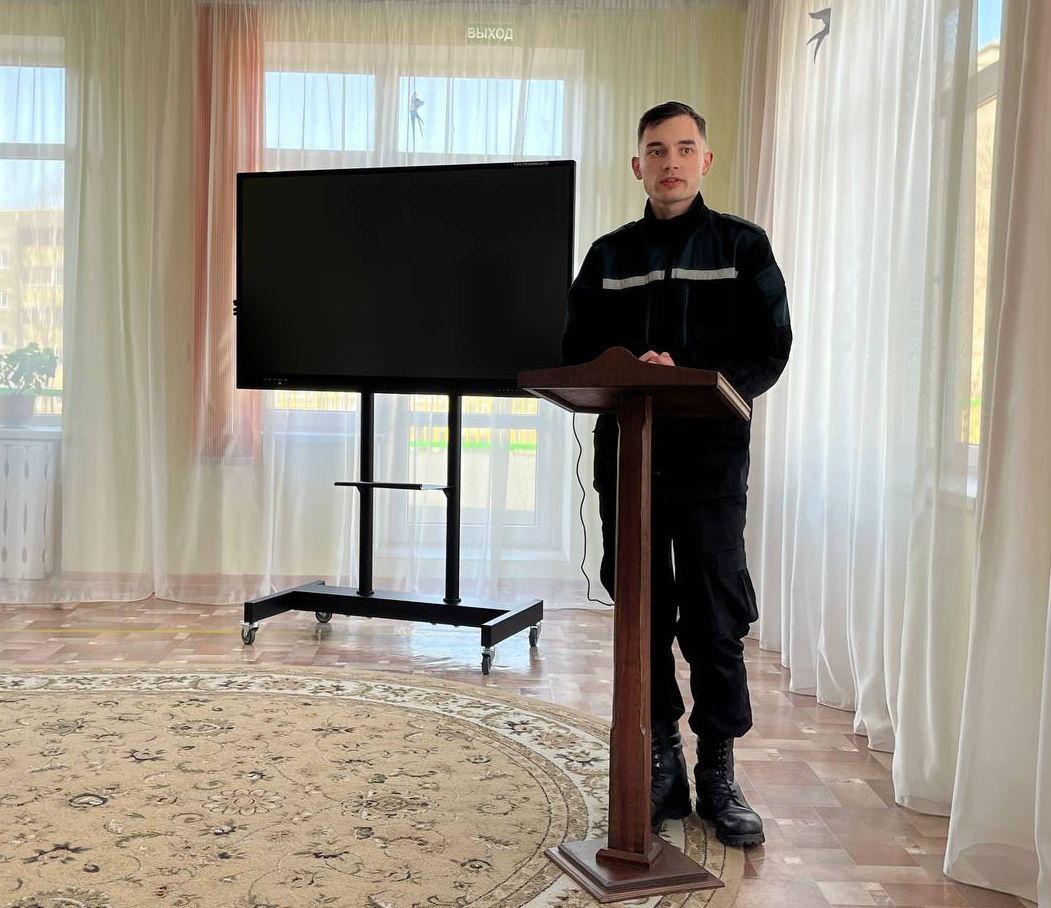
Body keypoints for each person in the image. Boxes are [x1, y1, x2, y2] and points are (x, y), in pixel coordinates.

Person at [561, 101, 791, 847]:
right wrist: (630, 368)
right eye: (656, 150)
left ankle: (718, 770)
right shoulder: (608, 256)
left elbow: (771, 346)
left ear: (705, 161)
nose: (670, 162)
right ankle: (661, 759)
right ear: (638, 165)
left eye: (684, 148)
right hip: (630, 458)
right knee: (644, 614)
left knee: (715, 617)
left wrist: (693, 376)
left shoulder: (743, 246)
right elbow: (574, 349)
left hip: (709, 462)